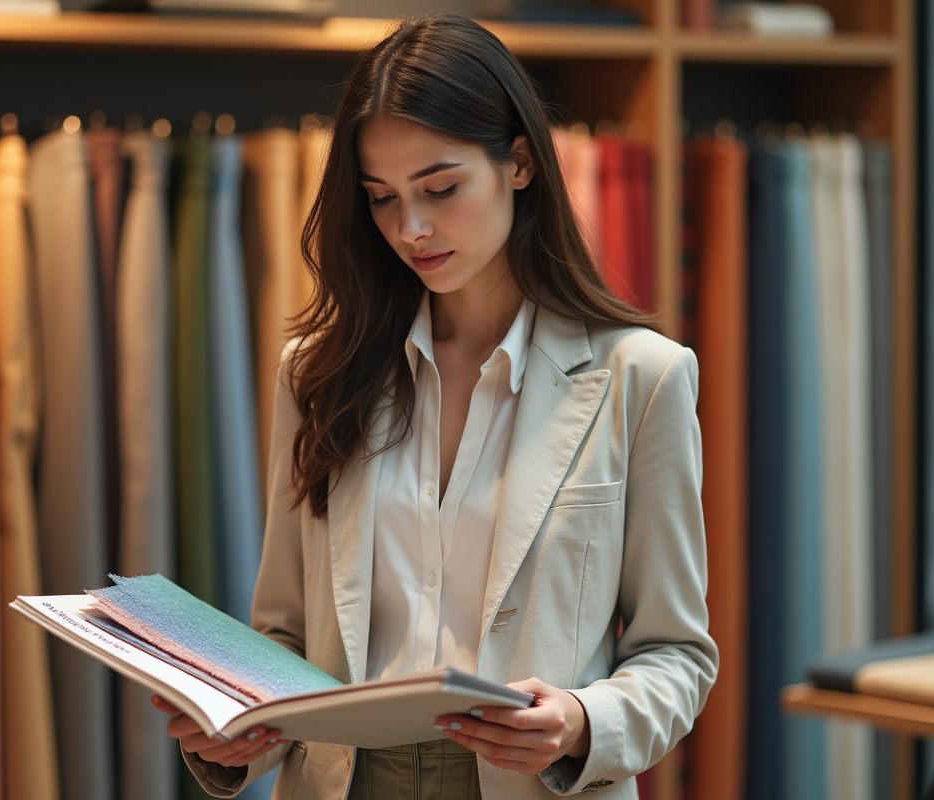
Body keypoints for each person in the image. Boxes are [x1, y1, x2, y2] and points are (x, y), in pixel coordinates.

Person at [153, 13, 718, 798]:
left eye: (440, 188)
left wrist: (584, 720)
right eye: (381, 198)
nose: (410, 228)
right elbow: (283, 630)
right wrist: (234, 726)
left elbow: (679, 654)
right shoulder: (316, 374)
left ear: (519, 162)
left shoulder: (640, 377)